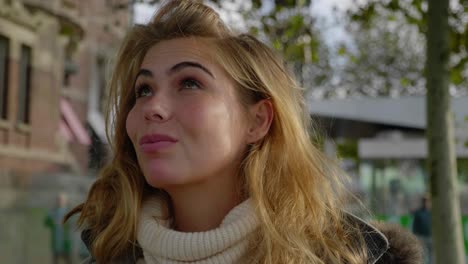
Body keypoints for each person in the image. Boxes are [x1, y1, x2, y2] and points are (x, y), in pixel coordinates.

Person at [66, 1, 422, 263]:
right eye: (143, 90)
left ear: (257, 121)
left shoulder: (353, 257)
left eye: (189, 83)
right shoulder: (105, 253)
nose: (151, 107)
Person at [45, 193, 72, 264]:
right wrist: (52, 220)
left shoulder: (69, 212)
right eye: (59, 199)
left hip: (66, 242)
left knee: (68, 260)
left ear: (66, 201)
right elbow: (46, 223)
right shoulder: (53, 211)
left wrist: (65, 224)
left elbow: (73, 224)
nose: (60, 201)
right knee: (55, 260)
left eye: (62, 199)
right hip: (56, 242)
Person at [412, 195, 432, 263]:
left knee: (432, 255)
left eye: (427, 201)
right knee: (424, 254)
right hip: (422, 237)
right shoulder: (418, 213)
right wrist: (416, 236)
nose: (426, 203)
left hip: (431, 236)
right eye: (424, 201)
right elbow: (415, 226)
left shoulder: (432, 212)